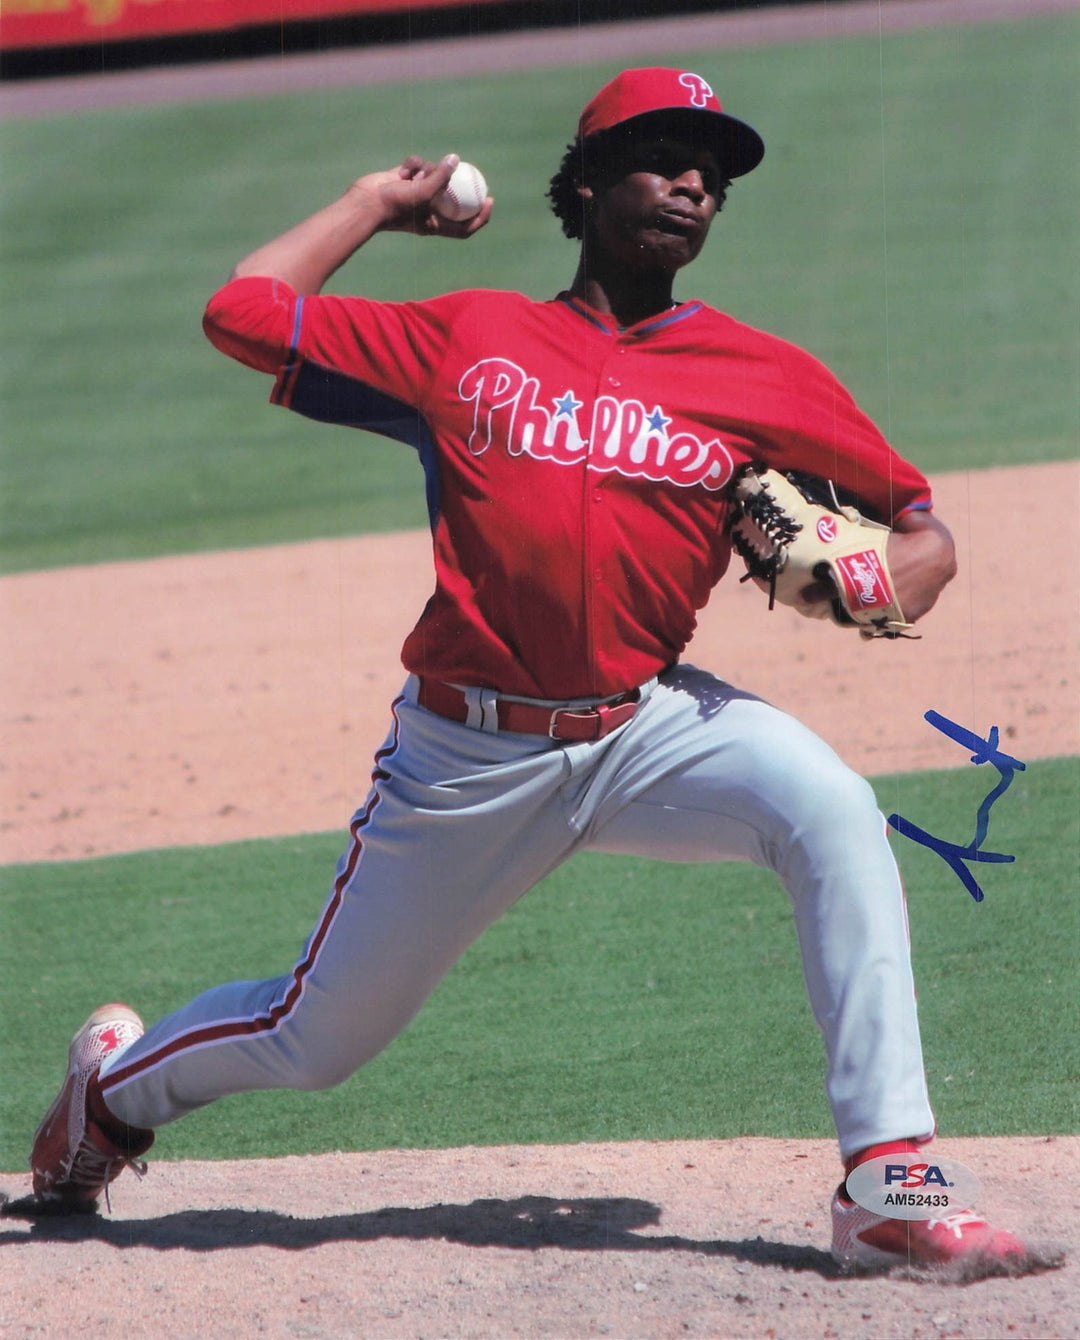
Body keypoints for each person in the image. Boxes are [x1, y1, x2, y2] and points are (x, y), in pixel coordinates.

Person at [25, 68, 1029, 1270]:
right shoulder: (470, 337)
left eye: (712, 173)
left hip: (647, 728)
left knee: (833, 810)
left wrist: (906, 568)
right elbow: (244, 311)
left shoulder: (763, 374)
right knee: (314, 1037)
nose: (694, 184)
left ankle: (886, 1176)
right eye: (664, 156)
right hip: (466, 755)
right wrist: (373, 203)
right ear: (588, 180)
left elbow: (919, 520)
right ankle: (111, 1094)